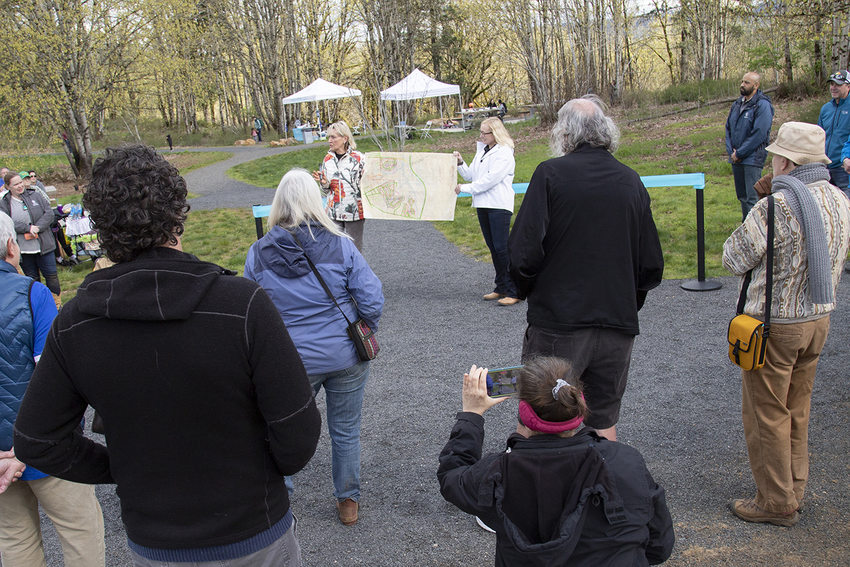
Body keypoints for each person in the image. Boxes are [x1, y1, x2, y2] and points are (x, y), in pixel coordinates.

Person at [13, 144, 321, 566]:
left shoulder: (75, 325)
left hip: (159, 541)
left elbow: (37, 440)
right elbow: (298, 434)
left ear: (101, 227)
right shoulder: (242, 305)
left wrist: (121, 467)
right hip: (254, 534)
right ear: (177, 215)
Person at [508, 95, 664, 442]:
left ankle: (532, 492)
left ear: (564, 135)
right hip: (616, 322)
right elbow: (651, 264)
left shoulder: (550, 174)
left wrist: (527, 289)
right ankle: (604, 492)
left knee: (539, 414)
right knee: (602, 420)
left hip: (559, 322)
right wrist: (626, 300)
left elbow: (523, 251)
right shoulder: (631, 181)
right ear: (605, 132)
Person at [723, 122, 850, 527]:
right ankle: (794, 486)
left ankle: (776, 502)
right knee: (797, 409)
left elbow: (733, 258)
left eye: (776, 155)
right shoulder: (839, 198)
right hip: (819, 318)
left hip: (775, 325)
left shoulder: (775, 206)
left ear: (786, 161)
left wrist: (762, 202)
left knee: (767, 414)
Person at [437, 357, 674, 566]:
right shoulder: (625, 461)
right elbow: (659, 545)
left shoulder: (499, 473)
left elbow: (452, 478)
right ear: (578, 405)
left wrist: (471, 414)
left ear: (525, 413)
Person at [244, 168, 383, 526]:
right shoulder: (340, 244)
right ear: (315, 200)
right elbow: (372, 297)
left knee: (280, 426)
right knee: (346, 429)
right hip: (345, 354)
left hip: (290, 360)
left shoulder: (258, 253)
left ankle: (280, 497)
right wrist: (365, 328)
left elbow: (249, 310)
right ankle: (348, 501)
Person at [0, 211, 106, 566]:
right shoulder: (33, 293)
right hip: (44, 442)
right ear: (12, 248)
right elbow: (54, 374)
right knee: (79, 532)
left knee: (14, 539)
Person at [453, 117, 520, 306]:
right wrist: (460, 162)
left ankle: (514, 290)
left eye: (485, 133)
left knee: (501, 248)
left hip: (498, 204)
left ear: (495, 133)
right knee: (493, 247)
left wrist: (465, 189)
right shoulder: (483, 150)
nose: (481, 135)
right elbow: (472, 175)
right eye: (481, 132)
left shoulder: (504, 153)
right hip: (483, 203)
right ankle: (500, 286)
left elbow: (491, 180)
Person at [0, 171, 60, 300]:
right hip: (25, 249)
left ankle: (57, 304)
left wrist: (38, 227)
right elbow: (6, 221)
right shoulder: (4, 202)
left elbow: (49, 213)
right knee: (32, 279)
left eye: (20, 182)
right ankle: (39, 303)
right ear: (8, 186)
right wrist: (28, 228)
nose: (20, 186)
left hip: (44, 245)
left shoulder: (36, 195)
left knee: (52, 276)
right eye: (16, 184)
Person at [725, 71, 774, 221]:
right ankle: (746, 228)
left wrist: (740, 153)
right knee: (742, 196)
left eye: (746, 83)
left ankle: (756, 230)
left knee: (752, 197)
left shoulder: (762, 105)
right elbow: (728, 128)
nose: (742, 85)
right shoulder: (737, 104)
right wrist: (732, 152)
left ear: (756, 85)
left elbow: (759, 134)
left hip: (752, 159)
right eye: (742, 81)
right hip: (736, 158)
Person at [313, 121, 367, 251]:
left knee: (354, 251)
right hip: (333, 213)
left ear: (345, 138)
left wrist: (366, 177)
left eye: (333, 137)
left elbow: (368, 186)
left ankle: (354, 272)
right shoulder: (327, 160)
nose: (329, 140)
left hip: (354, 213)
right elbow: (326, 191)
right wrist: (324, 183)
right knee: (334, 250)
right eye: (329, 137)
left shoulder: (359, 158)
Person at [818, 70, 850, 190]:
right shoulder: (826, 109)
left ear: (848, 86)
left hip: (844, 169)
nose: (833, 88)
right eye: (832, 84)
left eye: (838, 85)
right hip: (825, 168)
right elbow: (818, 136)